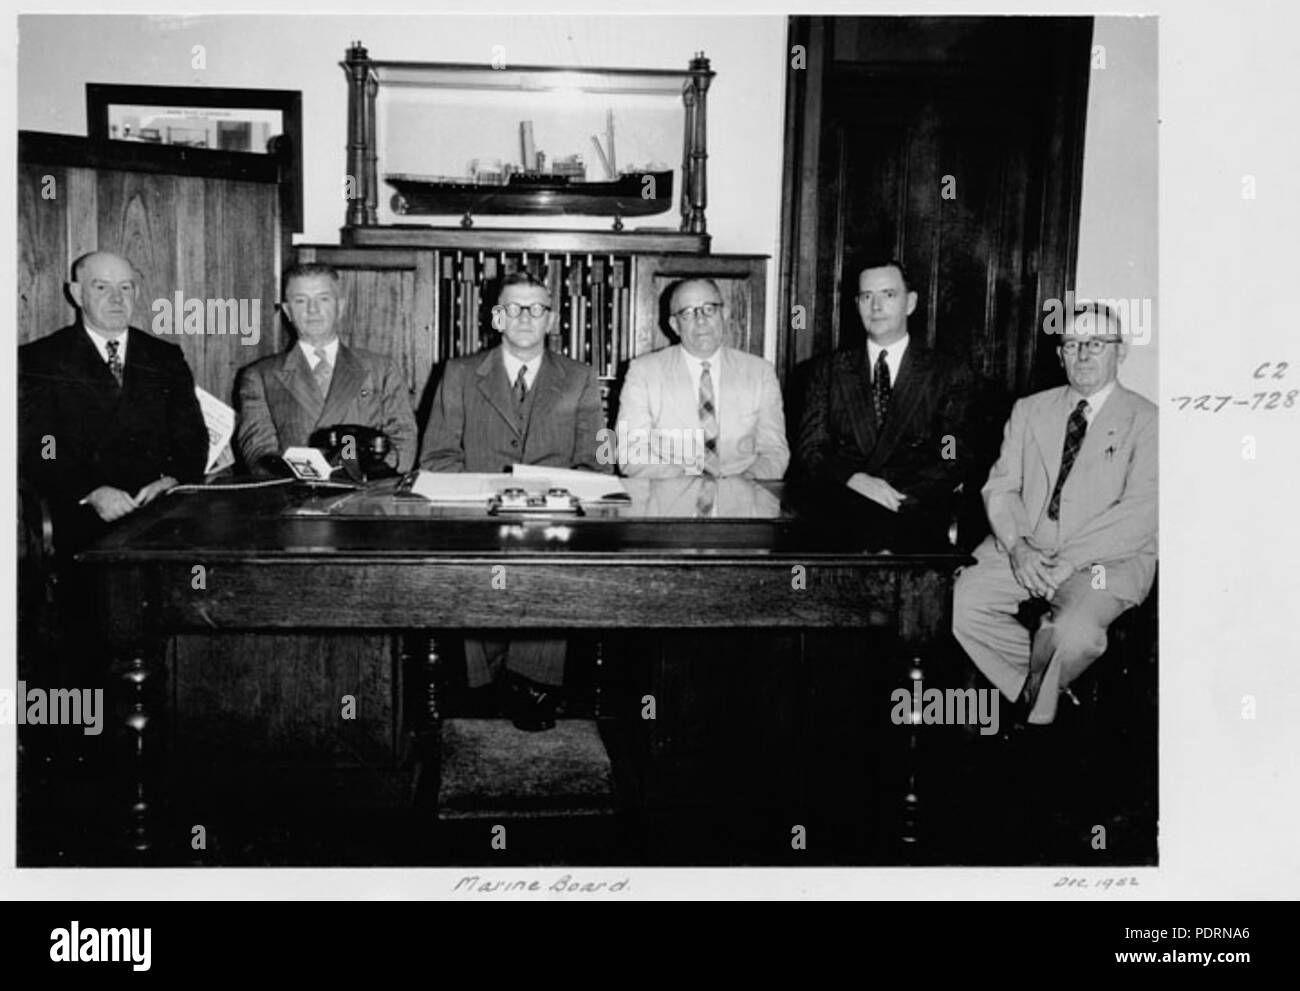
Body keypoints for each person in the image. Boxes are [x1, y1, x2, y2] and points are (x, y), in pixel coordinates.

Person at [419, 270, 611, 730]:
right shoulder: (460, 374)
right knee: (475, 561)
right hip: (478, 517)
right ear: (496, 317)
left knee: (549, 561)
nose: (526, 317)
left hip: (554, 520)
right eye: (513, 308)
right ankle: (482, 683)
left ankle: (532, 681)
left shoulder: (581, 378)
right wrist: (488, 495)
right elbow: (437, 459)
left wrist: (551, 498)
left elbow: (598, 462)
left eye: (537, 308)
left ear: (551, 319)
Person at [952, 302, 1157, 724]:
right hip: (1027, 547)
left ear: (1121, 353)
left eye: (1096, 344)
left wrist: (1070, 561)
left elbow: (1142, 512)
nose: (1082, 355)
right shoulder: (1029, 409)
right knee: (955, 603)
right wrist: (1018, 547)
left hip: (1104, 560)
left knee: (1073, 634)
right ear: (1059, 353)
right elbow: (1002, 486)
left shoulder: (1148, 420)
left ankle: (1034, 716)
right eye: (1072, 344)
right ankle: (1043, 693)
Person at [19, 250, 207, 553]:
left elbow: (192, 437)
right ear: (77, 293)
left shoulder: (164, 357)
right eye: (101, 287)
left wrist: (171, 481)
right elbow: (41, 444)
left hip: (158, 512)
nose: (116, 298)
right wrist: (90, 491)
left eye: (125, 287)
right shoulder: (40, 359)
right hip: (82, 516)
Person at [795, 257, 973, 539]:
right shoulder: (827, 370)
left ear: (910, 303)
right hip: (841, 516)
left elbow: (951, 455)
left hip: (915, 515)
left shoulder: (947, 372)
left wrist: (893, 495)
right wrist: (855, 480)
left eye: (888, 295)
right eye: (867, 296)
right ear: (857, 305)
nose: (875, 307)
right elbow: (811, 451)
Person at [236, 262, 417, 475]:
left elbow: (403, 442)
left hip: (366, 500)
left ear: (340, 306)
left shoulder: (381, 370)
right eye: (301, 300)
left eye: (323, 299)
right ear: (287, 311)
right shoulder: (260, 377)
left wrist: (369, 476)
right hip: (296, 500)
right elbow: (259, 452)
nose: (313, 310)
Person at [614, 278, 789, 480]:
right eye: (687, 313)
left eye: (709, 309)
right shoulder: (643, 372)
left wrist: (743, 484)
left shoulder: (760, 372)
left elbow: (775, 451)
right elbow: (631, 453)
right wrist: (689, 484)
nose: (701, 320)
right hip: (670, 499)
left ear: (724, 314)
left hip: (743, 500)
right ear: (674, 325)